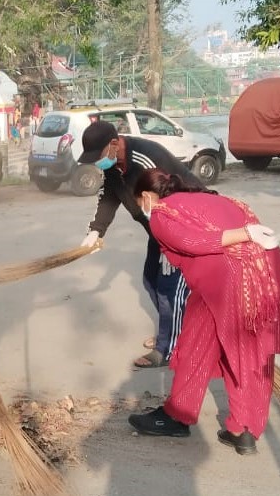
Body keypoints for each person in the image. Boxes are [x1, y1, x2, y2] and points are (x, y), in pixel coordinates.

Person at [127, 168, 280, 454]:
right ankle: (232, 428)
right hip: (264, 271)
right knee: (226, 346)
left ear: (146, 196)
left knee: (240, 350)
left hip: (228, 279)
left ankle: (220, 423)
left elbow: (192, 243)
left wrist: (243, 234)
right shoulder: (214, 198)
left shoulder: (161, 212)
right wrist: (247, 234)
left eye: (139, 203)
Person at [77, 120, 206, 368]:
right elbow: (109, 196)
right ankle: (174, 333)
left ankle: (167, 348)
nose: (97, 162)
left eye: (100, 154)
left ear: (114, 144)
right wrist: (96, 231)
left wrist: (172, 243)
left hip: (181, 224)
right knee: (151, 280)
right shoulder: (113, 165)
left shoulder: (146, 159)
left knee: (169, 288)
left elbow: (171, 199)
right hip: (157, 228)